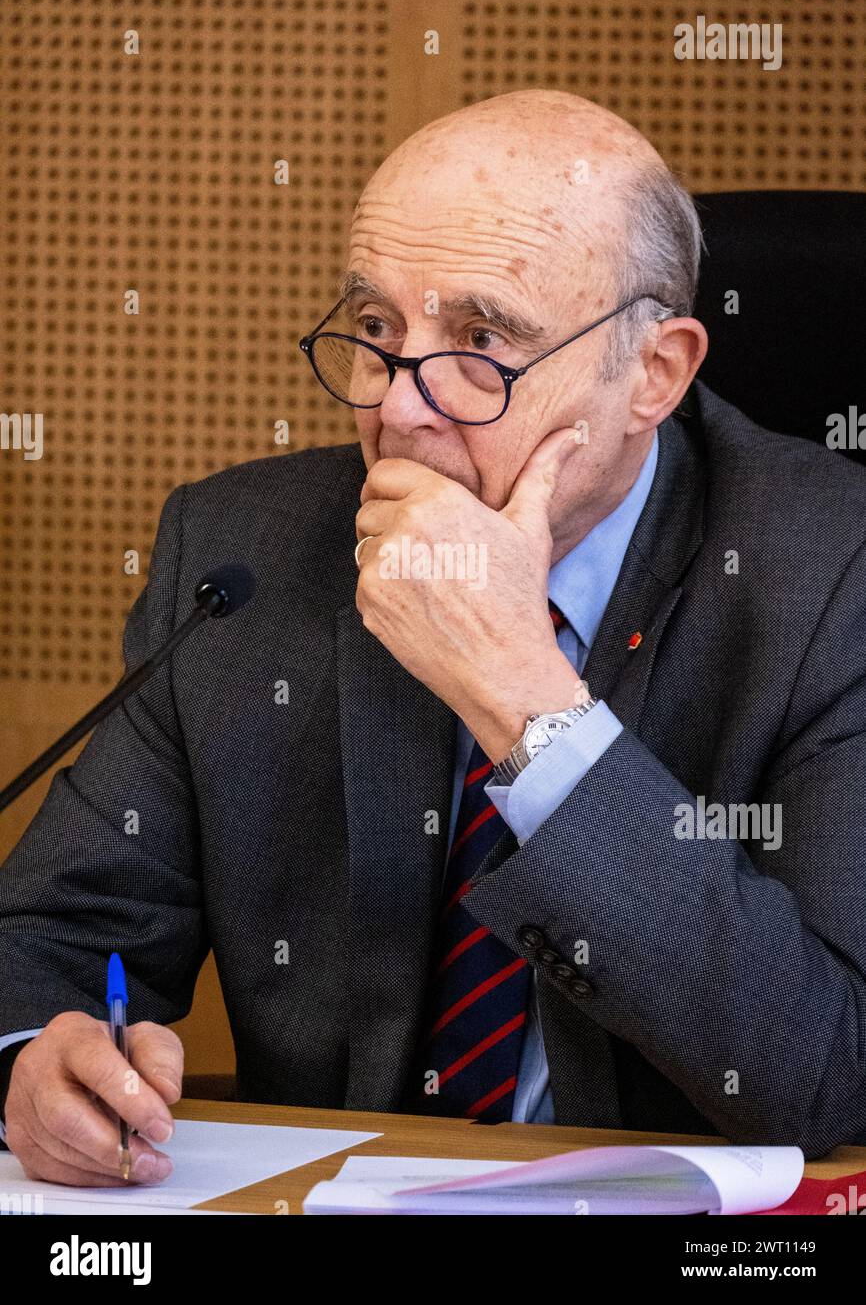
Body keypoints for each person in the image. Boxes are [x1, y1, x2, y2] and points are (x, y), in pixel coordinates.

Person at [1, 89, 865, 1189]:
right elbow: (49, 938)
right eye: (375, 330)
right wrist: (38, 1059)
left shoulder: (830, 572)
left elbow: (825, 1065)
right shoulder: (243, 554)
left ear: (653, 373)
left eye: (479, 341)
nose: (399, 408)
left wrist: (523, 701)